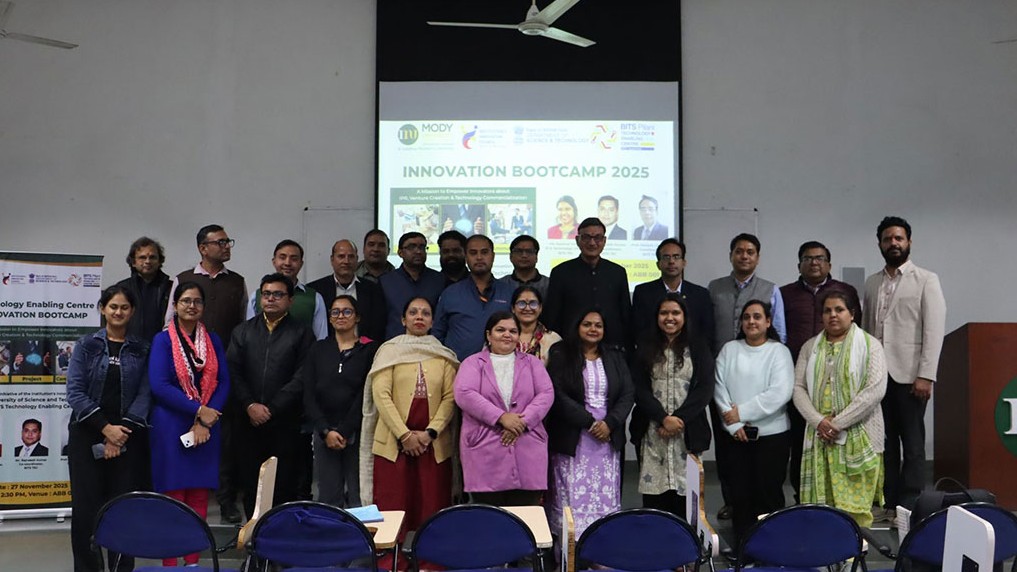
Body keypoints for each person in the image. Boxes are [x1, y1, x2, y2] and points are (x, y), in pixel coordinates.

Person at [359, 297, 459, 565]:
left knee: (432, 506)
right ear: (403, 319)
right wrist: (404, 435)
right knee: (392, 507)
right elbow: (381, 395)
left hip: (432, 446)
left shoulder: (443, 355)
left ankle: (431, 565)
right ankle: (391, 565)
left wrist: (429, 434)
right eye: (413, 312)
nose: (419, 317)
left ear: (433, 321)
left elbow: (450, 398)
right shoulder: (389, 352)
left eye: (425, 313)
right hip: (394, 444)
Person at [862, 216, 946, 518]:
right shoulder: (872, 283)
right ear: (880, 244)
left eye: (899, 238)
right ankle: (888, 499)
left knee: (912, 442)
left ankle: (910, 502)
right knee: (883, 441)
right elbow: (866, 329)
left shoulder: (926, 279)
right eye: (888, 239)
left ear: (909, 242)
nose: (893, 243)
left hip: (910, 375)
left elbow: (933, 330)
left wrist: (926, 375)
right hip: (877, 376)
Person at [165, 224, 248, 523]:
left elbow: (243, 324)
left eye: (228, 241)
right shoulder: (182, 279)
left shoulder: (237, 282)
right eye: (221, 242)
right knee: (185, 435)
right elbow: (168, 324)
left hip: (221, 371)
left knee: (224, 439)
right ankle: (182, 502)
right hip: (184, 375)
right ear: (203, 247)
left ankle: (226, 501)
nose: (227, 246)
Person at [65, 285, 151, 572]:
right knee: (86, 510)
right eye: (113, 306)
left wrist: (119, 434)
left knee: (123, 509)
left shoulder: (142, 348)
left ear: (132, 311)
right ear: (103, 309)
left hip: (127, 437)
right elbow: (75, 392)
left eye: (124, 307)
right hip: (87, 433)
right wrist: (105, 428)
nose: (118, 312)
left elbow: (145, 394)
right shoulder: (86, 345)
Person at [148, 282, 230, 566]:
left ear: (203, 307)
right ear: (175, 305)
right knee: (173, 499)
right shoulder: (162, 341)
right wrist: (199, 410)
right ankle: (170, 566)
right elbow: (159, 385)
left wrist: (207, 418)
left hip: (207, 427)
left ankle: (193, 563)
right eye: (185, 301)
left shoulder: (213, 340)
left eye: (197, 301)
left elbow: (223, 382)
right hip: (172, 425)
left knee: (198, 496)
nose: (191, 306)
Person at [707, 232, 787, 520]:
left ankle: (764, 516)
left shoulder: (771, 290)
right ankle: (732, 501)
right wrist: (734, 416)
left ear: (757, 257)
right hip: (724, 380)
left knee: (765, 476)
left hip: (760, 384)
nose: (744, 256)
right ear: (731, 255)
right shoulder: (714, 288)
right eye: (739, 251)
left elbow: (781, 332)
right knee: (727, 451)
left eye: (750, 251)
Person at [794, 290, 888, 527]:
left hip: (860, 437)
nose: (833, 315)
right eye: (827, 311)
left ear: (852, 314)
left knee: (855, 514)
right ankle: (826, 548)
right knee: (821, 513)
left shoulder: (871, 345)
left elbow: (874, 391)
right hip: (819, 439)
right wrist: (819, 422)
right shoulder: (809, 347)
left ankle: (854, 548)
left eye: (839, 309)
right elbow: (798, 388)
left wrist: (835, 424)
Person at [228, 273, 316, 519]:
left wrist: (273, 408)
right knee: (251, 484)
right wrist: (250, 405)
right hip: (248, 421)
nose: (271, 299)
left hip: (285, 422)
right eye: (266, 294)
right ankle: (254, 536)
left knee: (284, 485)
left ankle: (279, 537)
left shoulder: (302, 333)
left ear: (290, 300)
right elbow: (233, 372)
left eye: (278, 294)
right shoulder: (243, 331)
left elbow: (302, 376)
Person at [780, 240, 861, 502]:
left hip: (841, 380)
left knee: (839, 438)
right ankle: (801, 495)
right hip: (800, 377)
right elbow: (778, 333)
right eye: (808, 258)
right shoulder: (784, 294)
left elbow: (858, 332)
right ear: (798, 265)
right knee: (799, 439)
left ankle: (840, 496)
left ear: (829, 263)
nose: (814, 262)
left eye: (820, 258)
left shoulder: (845, 291)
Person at [545, 310, 634, 538]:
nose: (593, 329)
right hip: (573, 437)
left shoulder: (615, 356)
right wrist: (590, 422)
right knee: (569, 500)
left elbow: (627, 393)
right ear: (577, 326)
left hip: (607, 438)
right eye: (587, 324)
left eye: (598, 325)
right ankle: (567, 551)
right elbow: (557, 392)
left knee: (604, 499)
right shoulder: (561, 353)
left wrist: (609, 423)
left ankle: (600, 549)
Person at [713, 300, 794, 543]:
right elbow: (719, 388)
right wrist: (734, 424)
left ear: (768, 322)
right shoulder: (729, 349)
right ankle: (743, 549)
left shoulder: (779, 352)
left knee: (768, 495)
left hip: (772, 438)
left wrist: (741, 413)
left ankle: (770, 548)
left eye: (757, 316)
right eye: (746, 317)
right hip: (736, 437)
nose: (751, 321)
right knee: (740, 497)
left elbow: (779, 393)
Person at [454, 311, 554, 505]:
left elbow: (546, 394)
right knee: (489, 517)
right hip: (485, 450)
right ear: (488, 334)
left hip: (527, 448)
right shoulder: (472, 363)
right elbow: (464, 393)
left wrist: (521, 422)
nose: (507, 335)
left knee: (526, 517)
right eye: (500, 330)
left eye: (513, 331)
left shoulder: (533, 363)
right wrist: (501, 417)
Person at [630, 295, 715, 516]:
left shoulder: (698, 347)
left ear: (684, 317)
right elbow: (638, 388)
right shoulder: (644, 347)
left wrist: (678, 419)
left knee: (687, 499)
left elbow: (704, 389)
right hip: (653, 431)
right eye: (664, 313)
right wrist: (663, 418)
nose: (670, 318)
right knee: (655, 502)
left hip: (687, 431)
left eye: (675, 313)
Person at [304, 295, 378, 507]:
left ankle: (359, 530)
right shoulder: (318, 349)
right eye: (335, 312)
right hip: (324, 431)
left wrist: (345, 430)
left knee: (359, 496)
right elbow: (308, 393)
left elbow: (366, 393)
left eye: (347, 311)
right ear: (329, 318)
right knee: (328, 497)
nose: (340, 316)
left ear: (357, 317)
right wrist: (325, 430)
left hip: (358, 430)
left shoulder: (369, 349)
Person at [544, 218, 632, 352]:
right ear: (577, 240)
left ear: (604, 241)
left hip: (611, 348)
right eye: (586, 237)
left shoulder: (617, 272)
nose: (592, 243)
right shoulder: (561, 272)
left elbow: (625, 314)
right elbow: (553, 315)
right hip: (571, 349)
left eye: (597, 238)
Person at [433, 234, 514, 360]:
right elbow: (437, 335)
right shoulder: (450, 293)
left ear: (493, 256)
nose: (479, 257)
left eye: (484, 252)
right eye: (473, 253)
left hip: (501, 366)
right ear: (466, 257)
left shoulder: (509, 292)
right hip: (458, 367)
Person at [632, 239, 715, 347]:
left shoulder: (700, 294)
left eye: (676, 257)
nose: (671, 261)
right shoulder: (643, 292)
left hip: (691, 353)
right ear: (658, 264)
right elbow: (638, 330)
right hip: (653, 352)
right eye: (666, 257)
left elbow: (707, 332)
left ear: (684, 263)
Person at [246, 239, 328, 341]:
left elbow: (321, 338)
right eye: (282, 257)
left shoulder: (315, 298)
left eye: (294, 259)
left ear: (301, 263)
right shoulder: (257, 296)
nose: (287, 263)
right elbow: (249, 334)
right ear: (274, 261)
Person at [308, 239, 387, 342]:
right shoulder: (316, 290)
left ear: (357, 259)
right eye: (341, 256)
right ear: (332, 259)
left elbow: (378, 326)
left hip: (364, 349)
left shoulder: (372, 289)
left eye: (351, 257)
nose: (346, 261)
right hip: (327, 349)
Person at [379, 232, 446, 340]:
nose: (418, 251)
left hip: (430, 344)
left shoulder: (439, 280)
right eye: (411, 247)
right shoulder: (385, 281)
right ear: (400, 253)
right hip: (396, 344)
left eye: (422, 247)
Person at [114, 236, 172, 341]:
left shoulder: (171, 288)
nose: (147, 261)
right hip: (129, 346)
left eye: (152, 257)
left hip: (162, 345)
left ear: (160, 261)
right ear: (133, 262)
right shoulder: (122, 288)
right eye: (142, 257)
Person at [512, 286, 562, 365]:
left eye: (533, 303)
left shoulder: (553, 339)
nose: (527, 308)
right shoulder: (504, 336)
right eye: (521, 303)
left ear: (540, 308)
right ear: (513, 308)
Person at [499, 235, 550, 300]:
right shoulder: (500, 284)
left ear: (536, 257)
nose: (524, 255)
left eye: (529, 251)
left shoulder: (550, 284)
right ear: (511, 257)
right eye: (519, 251)